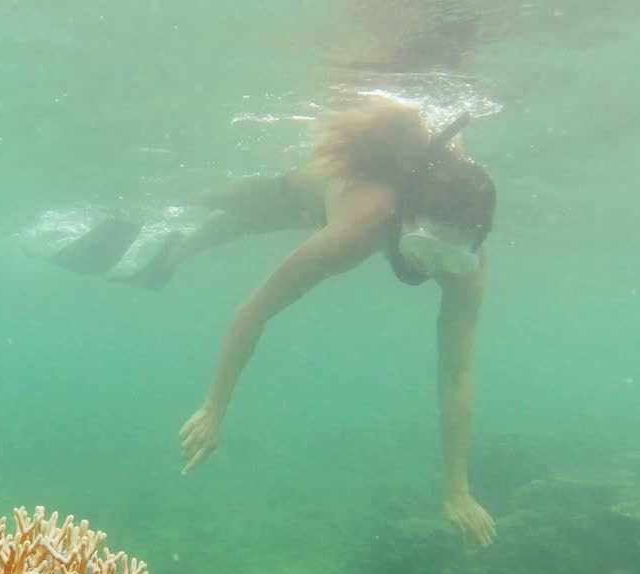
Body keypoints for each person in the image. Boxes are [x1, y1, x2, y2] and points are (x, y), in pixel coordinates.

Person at [38, 95, 498, 546]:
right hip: (302, 191)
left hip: (336, 206)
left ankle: (167, 257)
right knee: (225, 203)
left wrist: (457, 490)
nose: (430, 269)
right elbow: (255, 309)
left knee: (239, 222)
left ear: (476, 245)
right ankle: (163, 234)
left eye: (451, 259)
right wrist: (214, 407)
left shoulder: (468, 268)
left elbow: (457, 372)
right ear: (405, 215)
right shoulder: (360, 227)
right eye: (423, 250)